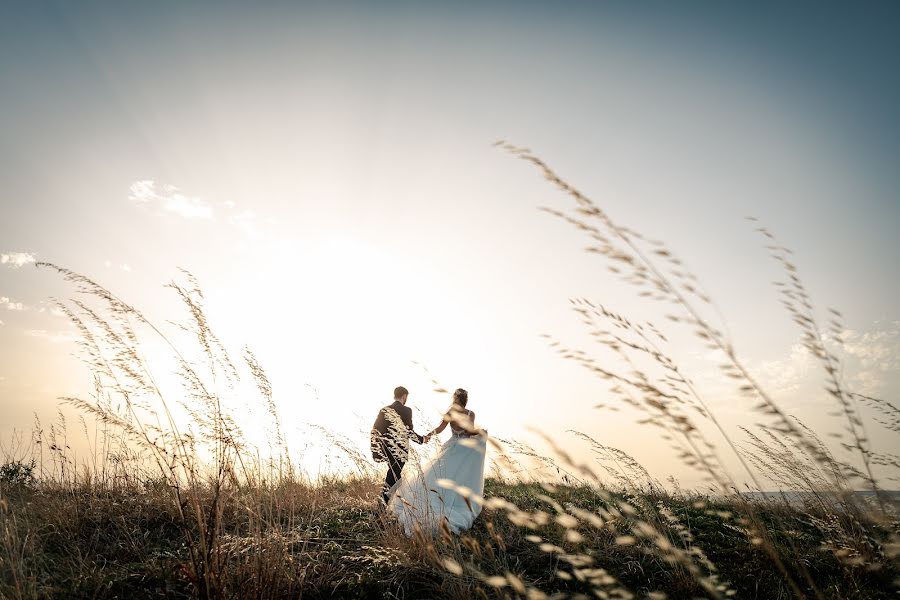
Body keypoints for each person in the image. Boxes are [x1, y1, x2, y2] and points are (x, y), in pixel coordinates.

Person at [388, 388, 487, 535]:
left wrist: (427, 436)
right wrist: (482, 432)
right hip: (464, 449)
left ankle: (441, 502)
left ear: (455, 399)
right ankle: (458, 503)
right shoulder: (469, 414)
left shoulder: (450, 413)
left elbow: (440, 429)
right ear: (465, 400)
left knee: (443, 477)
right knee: (461, 478)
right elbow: (468, 432)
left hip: (451, 447)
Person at [371, 386, 426, 507]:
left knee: (395, 476)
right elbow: (409, 432)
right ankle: (381, 506)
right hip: (399, 451)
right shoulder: (407, 410)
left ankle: (395, 504)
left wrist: (376, 449)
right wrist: (422, 439)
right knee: (393, 476)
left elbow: (375, 430)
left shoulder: (384, 410)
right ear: (404, 396)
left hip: (386, 449)